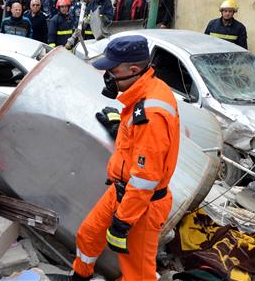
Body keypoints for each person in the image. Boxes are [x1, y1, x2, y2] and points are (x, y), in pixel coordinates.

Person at [60, 35, 180, 281]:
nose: (108, 76)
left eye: (112, 71)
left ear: (133, 70)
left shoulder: (151, 113)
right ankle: (80, 275)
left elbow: (146, 177)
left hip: (142, 205)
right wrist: (121, 129)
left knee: (138, 272)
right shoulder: (143, 93)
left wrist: (123, 222)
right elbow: (141, 146)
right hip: (122, 190)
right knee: (89, 233)